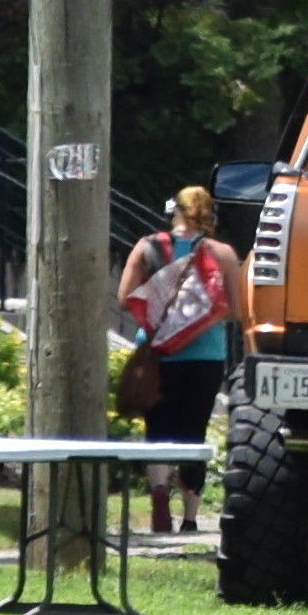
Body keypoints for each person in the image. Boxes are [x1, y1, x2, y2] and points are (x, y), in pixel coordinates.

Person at [120, 188, 242, 533]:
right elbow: (236, 310)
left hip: (157, 355)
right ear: (209, 214)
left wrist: (162, 309)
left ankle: (160, 494)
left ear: (173, 211)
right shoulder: (222, 253)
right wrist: (199, 316)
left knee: (157, 429)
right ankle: (190, 518)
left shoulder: (147, 246)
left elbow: (125, 297)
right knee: (194, 432)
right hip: (204, 356)